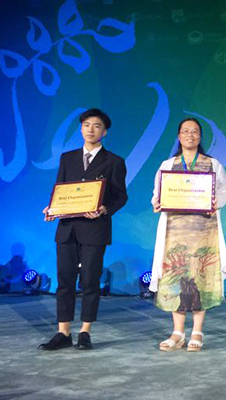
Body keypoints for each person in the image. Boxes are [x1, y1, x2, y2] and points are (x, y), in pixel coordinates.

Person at [40, 108, 128, 351]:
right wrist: (52, 208)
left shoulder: (114, 161)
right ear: (81, 129)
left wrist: (104, 209)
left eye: (97, 125)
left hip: (95, 229)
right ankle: (63, 332)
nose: (91, 129)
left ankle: (85, 331)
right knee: (64, 280)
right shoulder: (67, 158)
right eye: (86, 125)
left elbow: (121, 196)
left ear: (105, 132)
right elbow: (61, 189)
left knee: (90, 280)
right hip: (67, 228)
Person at [149, 117, 226, 352]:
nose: (190, 135)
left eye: (195, 131)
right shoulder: (167, 165)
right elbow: (157, 193)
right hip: (174, 232)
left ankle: (197, 331)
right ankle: (177, 333)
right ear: (178, 136)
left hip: (204, 231)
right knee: (176, 278)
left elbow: (224, 190)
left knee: (200, 278)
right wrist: (157, 202)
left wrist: (215, 202)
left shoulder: (213, 164)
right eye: (185, 131)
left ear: (200, 136)